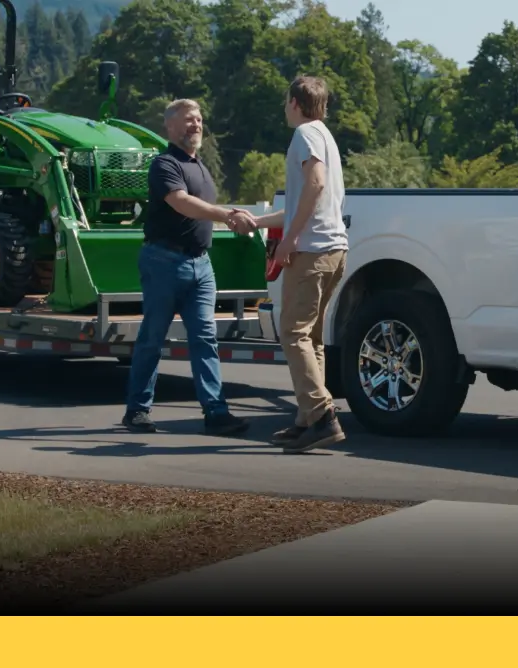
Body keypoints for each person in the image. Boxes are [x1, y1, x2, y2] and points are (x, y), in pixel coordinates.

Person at [122, 98, 257, 436]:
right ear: (169, 127)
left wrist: (232, 214)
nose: (196, 125)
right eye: (188, 120)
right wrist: (228, 215)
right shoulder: (164, 164)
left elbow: (201, 207)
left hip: (201, 264)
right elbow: (182, 203)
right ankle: (137, 410)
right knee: (153, 338)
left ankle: (215, 412)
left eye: (198, 120)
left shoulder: (200, 166)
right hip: (164, 261)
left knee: (205, 340)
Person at [249, 76, 348, 453]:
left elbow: (316, 184)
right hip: (334, 250)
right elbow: (300, 204)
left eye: (285, 100)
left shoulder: (304, 135)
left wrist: (287, 243)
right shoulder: (324, 134)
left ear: (294, 102)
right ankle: (307, 419)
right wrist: (258, 221)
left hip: (312, 252)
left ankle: (322, 416)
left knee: (291, 333)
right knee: (311, 339)